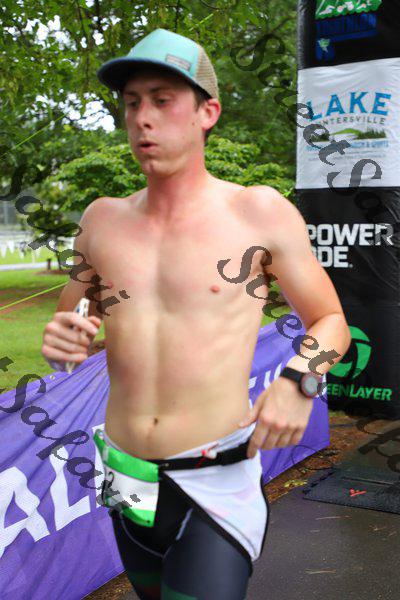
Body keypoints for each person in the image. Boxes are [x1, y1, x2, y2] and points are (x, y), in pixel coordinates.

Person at [41, 28, 351, 600]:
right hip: (126, 476)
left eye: (163, 100)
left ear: (208, 112)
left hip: (214, 480)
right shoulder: (102, 219)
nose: (142, 119)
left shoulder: (257, 211)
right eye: (132, 103)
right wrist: (65, 337)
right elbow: (75, 322)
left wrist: (299, 381)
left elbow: (330, 320)